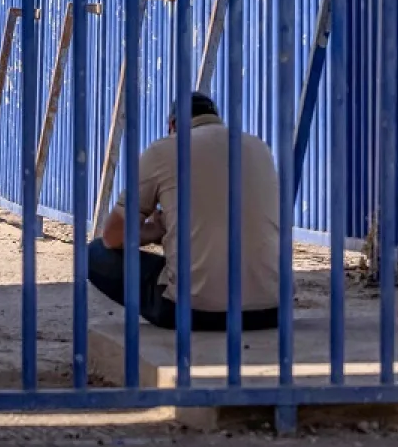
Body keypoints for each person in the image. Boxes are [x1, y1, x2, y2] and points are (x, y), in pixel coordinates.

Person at [87, 91, 281, 331]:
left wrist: (156, 230)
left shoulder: (164, 150)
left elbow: (113, 236)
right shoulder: (259, 147)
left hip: (193, 312)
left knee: (94, 253)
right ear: (215, 118)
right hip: (270, 311)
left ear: (172, 125)